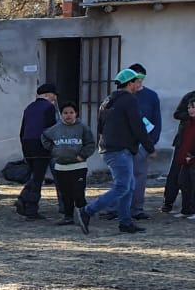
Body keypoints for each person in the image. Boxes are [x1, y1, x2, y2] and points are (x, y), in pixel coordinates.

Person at [75, 68, 157, 235]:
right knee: (122, 186)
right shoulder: (129, 100)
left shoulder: (107, 101)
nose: (138, 85)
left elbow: (100, 127)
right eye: (136, 82)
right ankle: (88, 211)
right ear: (130, 83)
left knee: (129, 186)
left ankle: (125, 222)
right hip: (120, 149)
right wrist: (150, 147)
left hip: (109, 148)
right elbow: (138, 126)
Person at [41, 102, 96, 225]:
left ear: (76, 113)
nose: (68, 115)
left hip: (78, 166)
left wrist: (83, 155)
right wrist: (53, 150)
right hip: (61, 167)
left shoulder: (83, 127)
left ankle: (83, 215)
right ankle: (68, 216)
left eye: (71, 112)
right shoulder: (55, 128)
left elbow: (90, 143)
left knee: (78, 192)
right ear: (61, 115)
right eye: (65, 113)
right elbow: (44, 136)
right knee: (65, 193)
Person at [15, 83, 60, 219]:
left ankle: (26, 201)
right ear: (48, 95)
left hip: (27, 144)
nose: (56, 98)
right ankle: (28, 205)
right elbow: (50, 129)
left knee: (34, 174)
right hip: (41, 144)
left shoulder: (29, 108)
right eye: (54, 94)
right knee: (38, 177)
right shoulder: (49, 108)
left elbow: (22, 130)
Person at [125, 64, 161, 220]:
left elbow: (156, 119)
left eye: (140, 79)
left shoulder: (151, 96)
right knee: (122, 177)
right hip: (124, 143)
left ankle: (136, 209)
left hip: (143, 144)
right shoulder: (121, 96)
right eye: (135, 79)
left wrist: (151, 143)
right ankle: (118, 208)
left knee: (140, 177)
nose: (138, 83)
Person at [161, 89, 195, 215]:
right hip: (184, 140)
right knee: (176, 173)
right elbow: (177, 114)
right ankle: (168, 202)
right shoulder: (190, 96)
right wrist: (190, 114)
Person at [171, 97, 195, 218]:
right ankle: (186, 210)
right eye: (189, 107)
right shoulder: (187, 123)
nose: (191, 110)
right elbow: (184, 141)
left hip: (193, 159)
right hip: (185, 159)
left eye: (193, 107)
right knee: (183, 182)